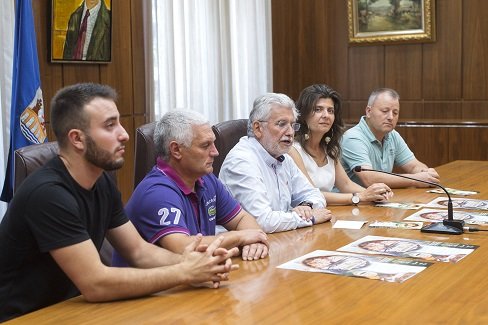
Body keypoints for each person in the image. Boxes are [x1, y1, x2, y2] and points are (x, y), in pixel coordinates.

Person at [0, 83, 238, 322]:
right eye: (110, 125)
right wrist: (184, 272)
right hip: (25, 317)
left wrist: (197, 264)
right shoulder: (48, 194)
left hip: (74, 310)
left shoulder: (101, 181)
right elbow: (96, 283)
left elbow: (139, 252)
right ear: (77, 139)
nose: (124, 134)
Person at [112, 110, 269, 266]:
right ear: (176, 150)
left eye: (213, 143)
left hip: (191, 279)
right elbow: (183, 247)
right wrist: (241, 237)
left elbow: (242, 218)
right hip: (149, 288)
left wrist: (253, 243)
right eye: (205, 145)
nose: (215, 152)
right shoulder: (158, 192)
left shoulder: (205, 179)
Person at [219, 93, 333, 233]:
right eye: (281, 124)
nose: (290, 132)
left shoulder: (282, 157)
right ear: (257, 128)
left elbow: (315, 195)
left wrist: (307, 207)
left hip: (281, 238)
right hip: (243, 248)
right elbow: (261, 221)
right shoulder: (241, 161)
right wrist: (308, 218)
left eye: (292, 125)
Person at [289, 84, 393, 205]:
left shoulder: (329, 149)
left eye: (330, 111)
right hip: (304, 216)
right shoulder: (293, 150)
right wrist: (359, 197)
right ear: (304, 115)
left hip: (327, 213)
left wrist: (375, 194)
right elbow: (312, 194)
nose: (326, 115)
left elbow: (346, 185)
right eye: (318, 109)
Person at [341, 88, 440, 188]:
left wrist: (426, 173)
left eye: (395, 113)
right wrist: (415, 179)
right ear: (369, 111)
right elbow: (369, 179)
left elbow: (413, 166)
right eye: (385, 111)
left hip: (377, 199)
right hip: (349, 201)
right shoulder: (353, 138)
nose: (391, 117)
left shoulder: (392, 135)